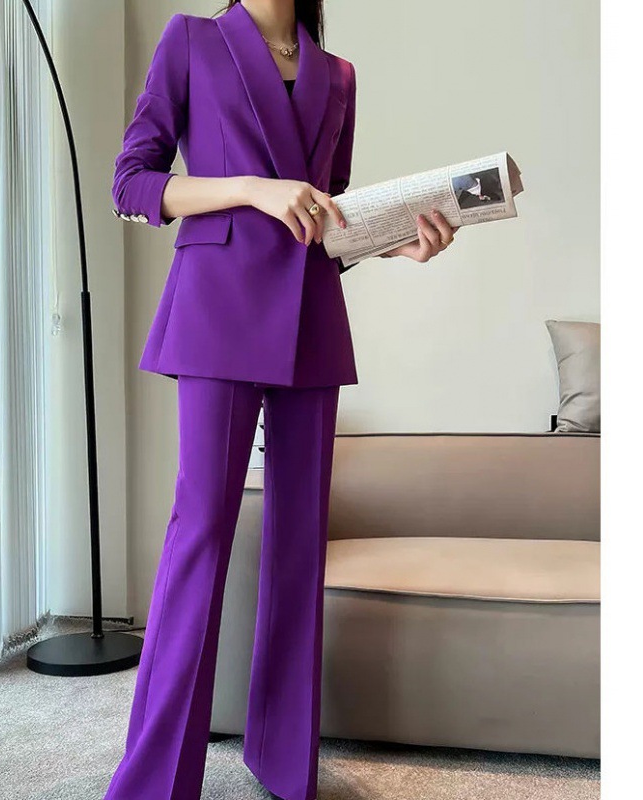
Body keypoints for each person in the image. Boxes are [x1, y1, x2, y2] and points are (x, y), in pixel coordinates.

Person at [103, 2, 457, 799]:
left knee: (300, 546)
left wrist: (394, 242)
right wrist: (253, 190)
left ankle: (283, 762)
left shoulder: (340, 77)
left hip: (311, 323)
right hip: (217, 313)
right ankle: (156, 781)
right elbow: (131, 184)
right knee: (201, 534)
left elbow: (325, 221)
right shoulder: (192, 39)